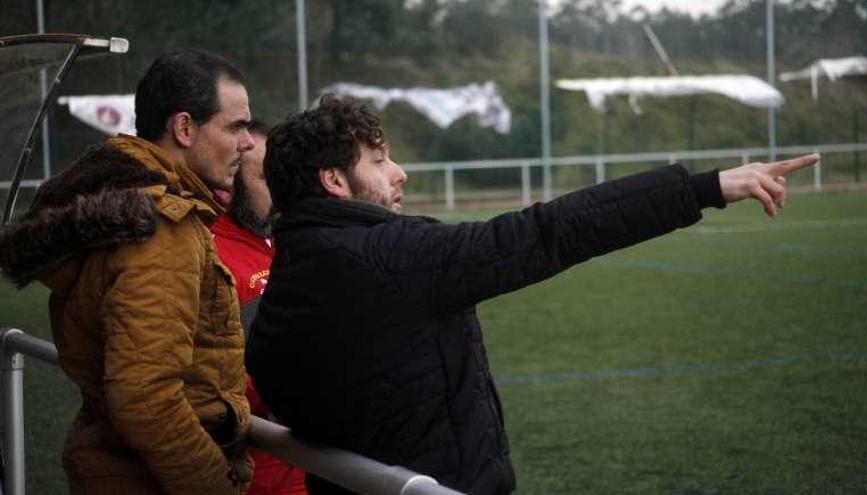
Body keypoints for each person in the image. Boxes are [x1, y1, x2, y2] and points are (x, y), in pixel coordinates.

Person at [245, 94, 819, 494]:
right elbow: (550, 232)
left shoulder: (281, 290)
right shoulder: (392, 259)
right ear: (334, 181)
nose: (399, 173)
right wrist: (707, 187)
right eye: (378, 160)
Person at [0, 49, 256, 494]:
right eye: (235, 127)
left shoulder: (121, 201)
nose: (248, 143)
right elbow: (146, 398)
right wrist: (214, 486)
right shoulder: (159, 228)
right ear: (184, 128)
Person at [211, 120, 308, 495]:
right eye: (268, 179)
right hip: (256, 476)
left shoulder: (289, 237)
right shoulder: (208, 254)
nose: (284, 192)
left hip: (308, 466)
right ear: (226, 188)